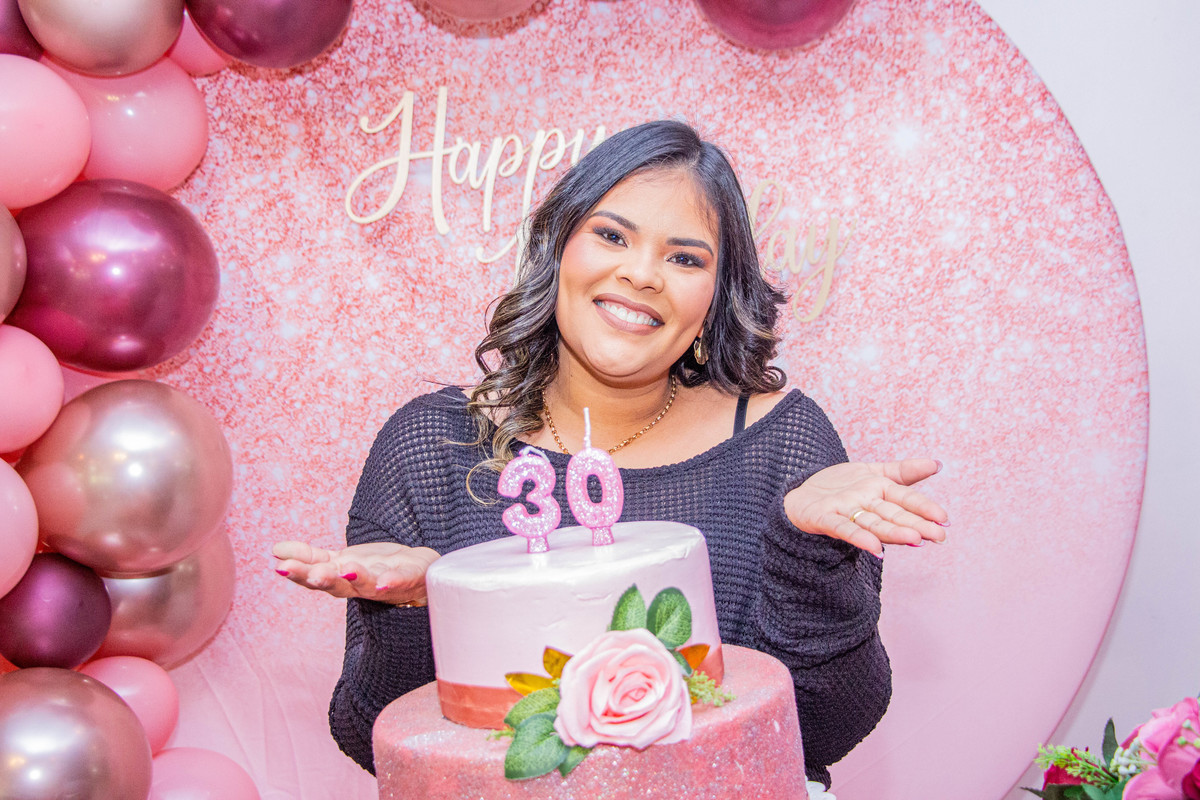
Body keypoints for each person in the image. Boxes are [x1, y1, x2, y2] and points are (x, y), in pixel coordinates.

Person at [272, 119, 948, 786]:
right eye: (612, 236)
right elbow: (373, 740)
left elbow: (824, 729)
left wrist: (807, 554)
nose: (642, 274)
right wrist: (417, 606)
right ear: (558, 246)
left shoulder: (783, 445)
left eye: (685, 258)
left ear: (716, 296)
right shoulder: (433, 445)